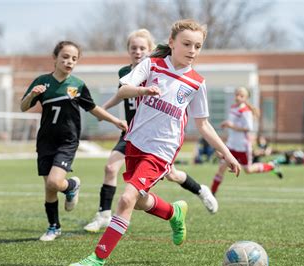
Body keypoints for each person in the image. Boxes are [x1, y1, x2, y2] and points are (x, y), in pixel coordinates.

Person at [68, 19, 241, 266]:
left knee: (126, 198)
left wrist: (226, 153)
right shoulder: (151, 64)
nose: (192, 50)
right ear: (171, 43)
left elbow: (203, 125)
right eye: (186, 44)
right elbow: (125, 89)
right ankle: (174, 212)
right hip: (135, 143)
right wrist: (143, 90)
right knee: (137, 202)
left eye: (198, 46)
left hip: (162, 150)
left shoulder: (196, 83)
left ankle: (97, 259)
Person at [84, 29, 218, 233]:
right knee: (111, 169)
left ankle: (200, 190)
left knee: (171, 175)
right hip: (132, 133)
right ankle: (104, 214)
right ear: (128, 50)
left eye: (142, 48)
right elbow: (122, 94)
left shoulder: (160, 69)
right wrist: (103, 110)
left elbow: (200, 121)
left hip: (158, 138)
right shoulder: (126, 73)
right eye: (133, 48)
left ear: (151, 50)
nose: (137, 52)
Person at [20, 41, 127, 242]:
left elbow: (93, 108)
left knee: (54, 182)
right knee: (49, 187)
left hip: (67, 141)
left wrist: (115, 121)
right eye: (65, 57)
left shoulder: (77, 85)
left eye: (74, 58)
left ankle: (70, 186)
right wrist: (33, 95)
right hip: (45, 141)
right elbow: (23, 107)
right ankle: (54, 226)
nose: (69, 61)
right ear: (55, 58)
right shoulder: (42, 82)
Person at [210, 87, 282, 196]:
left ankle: (271, 166)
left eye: (241, 96)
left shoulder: (246, 111)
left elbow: (248, 128)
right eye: (237, 95)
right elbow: (231, 127)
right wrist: (226, 133)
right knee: (221, 168)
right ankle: (211, 194)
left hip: (243, 146)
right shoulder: (233, 108)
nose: (238, 97)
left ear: (246, 98)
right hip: (231, 145)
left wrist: (231, 125)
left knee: (248, 170)